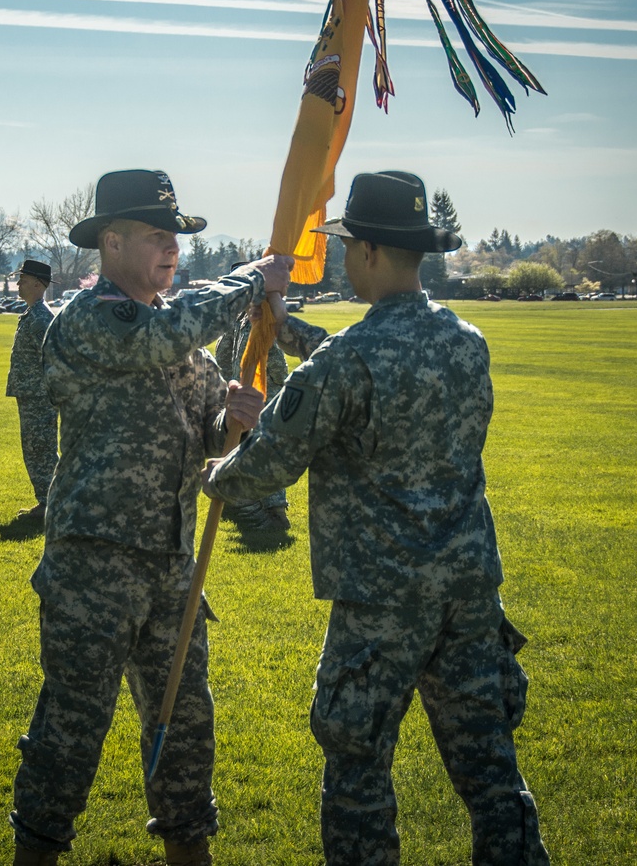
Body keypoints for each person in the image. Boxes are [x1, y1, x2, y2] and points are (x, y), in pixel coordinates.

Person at [204, 171, 550, 865]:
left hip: (380, 601)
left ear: (364, 253)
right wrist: (287, 330)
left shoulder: (350, 358)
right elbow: (375, 363)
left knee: (359, 770)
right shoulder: (466, 341)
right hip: (468, 592)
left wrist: (221, 477)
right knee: (491, 774)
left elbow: (275, 457)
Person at [10, 169, 293, 866]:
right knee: (71, 732)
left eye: (175, 237)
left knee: (186, 726)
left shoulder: (185, 348)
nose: (171, 248)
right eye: (155, 235)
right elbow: (157, 337)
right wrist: (251, 279)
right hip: (93, 567)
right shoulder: (89, 320)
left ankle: (188, 852)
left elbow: (203, 442)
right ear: (111, 242)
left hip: (171, 569)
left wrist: (231, 422)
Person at [214, 264, 327, 530]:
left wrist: (267, 381)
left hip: (266, 391)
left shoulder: (263, 317)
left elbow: (276, 362)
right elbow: (226, 355)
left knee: (265, 446)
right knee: (246, 447)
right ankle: (244, 504)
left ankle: (275, 512)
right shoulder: (243, 319)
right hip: (247, 391)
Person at [6, 259, 59, 522]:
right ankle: (48, 502)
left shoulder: (40, 318)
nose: (18, 284)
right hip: (31, 394)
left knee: (42, 449)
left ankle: (51, 504)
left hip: (39, 396)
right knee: (35, 448)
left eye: (23, 280)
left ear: (38, 284)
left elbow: (54, 358)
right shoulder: (32, 314)